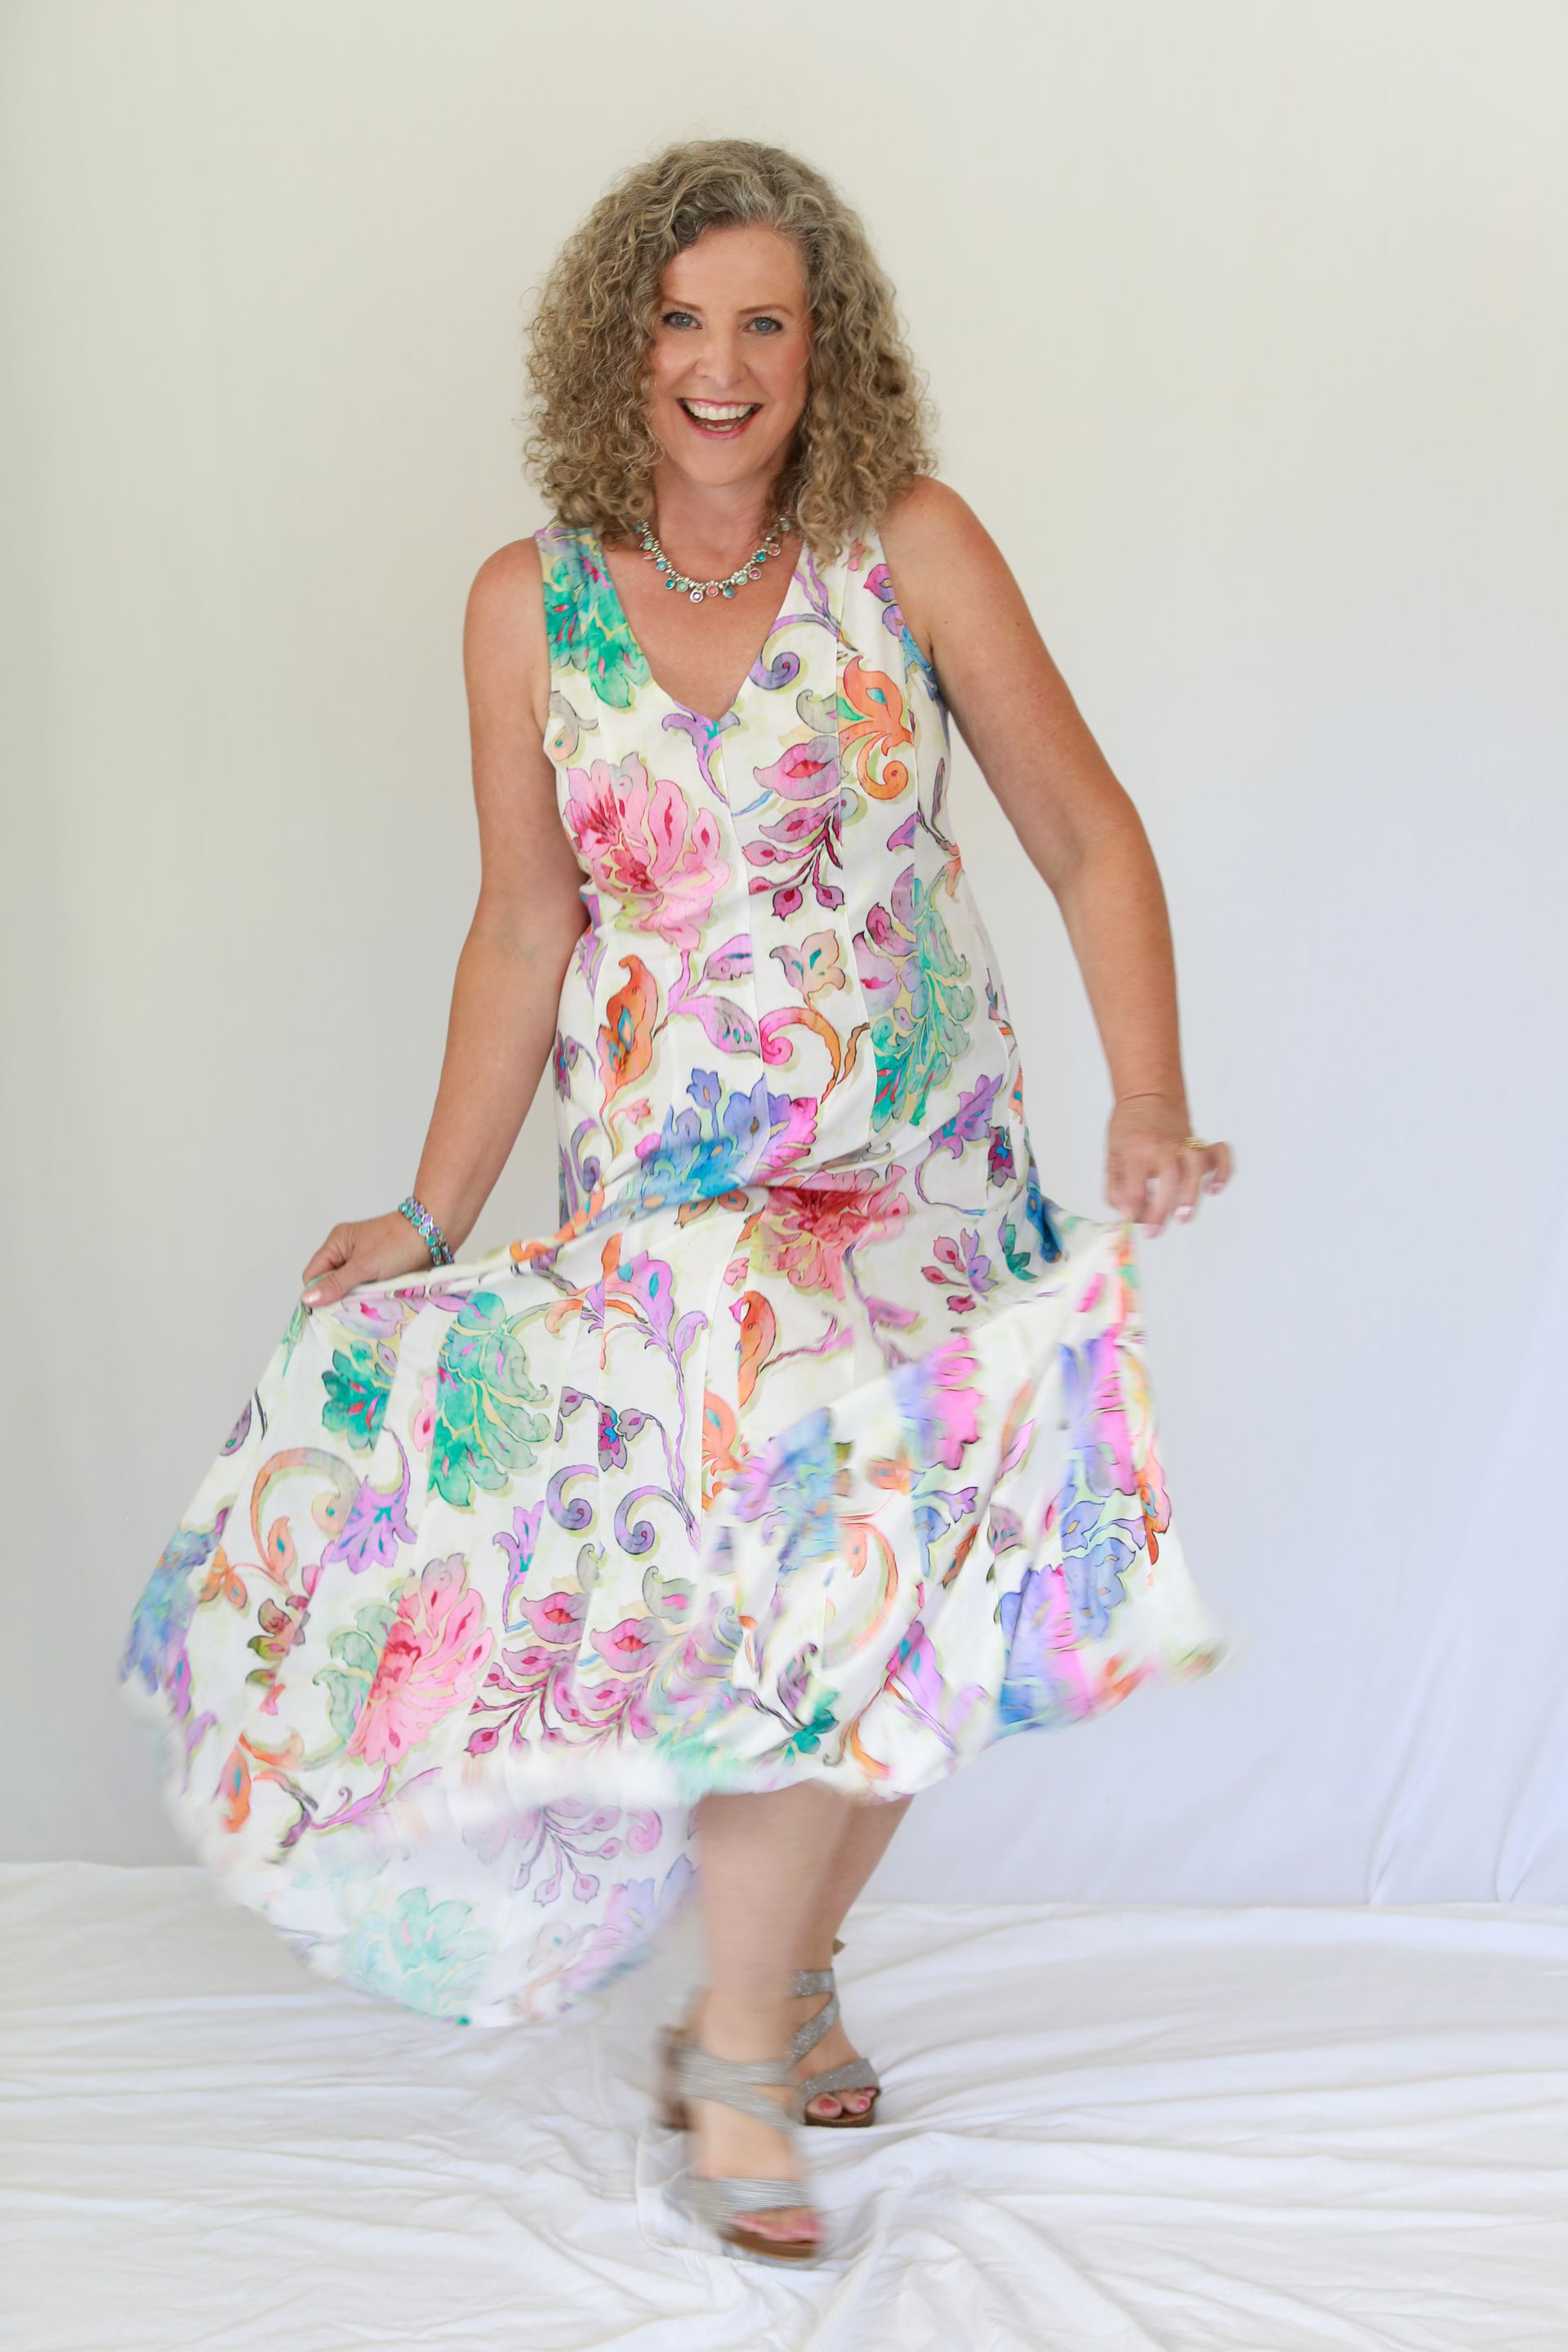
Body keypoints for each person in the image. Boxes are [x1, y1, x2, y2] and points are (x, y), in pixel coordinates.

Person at [119, 136, 1235, 2268]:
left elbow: (1088, 836)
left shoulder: (907, 549)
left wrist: (1151, 1095)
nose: (721, 365)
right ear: (614, 343)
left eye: (767, 324)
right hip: (684, 1199)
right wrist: (438, 1213)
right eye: (681, 318)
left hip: (919, 1167)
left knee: (914, 1610)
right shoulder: (524, 604)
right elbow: (523, 931)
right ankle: (733, 2051)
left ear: (828, 358)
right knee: (783, 1601)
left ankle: (792, 1966)